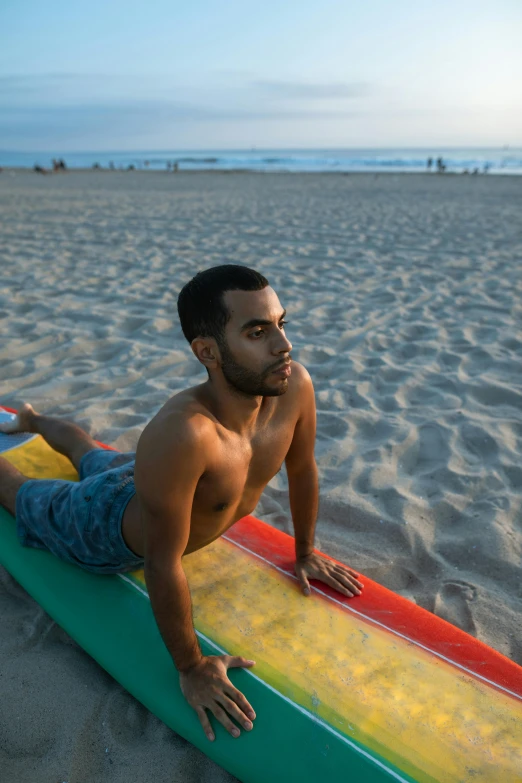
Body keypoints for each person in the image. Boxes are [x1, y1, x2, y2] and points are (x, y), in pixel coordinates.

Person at [0, 265, 363, 743]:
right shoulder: (184, 433)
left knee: (90, 454)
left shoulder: (294, 386)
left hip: (151, 479)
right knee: (23, 493)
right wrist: (191, 667)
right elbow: (161, 560)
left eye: (281, 323)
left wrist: (305, 551)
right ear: (207, 352)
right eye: (257, 332)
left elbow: (303, 469)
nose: (282, 345)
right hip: (102, 524)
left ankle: (32, 418)